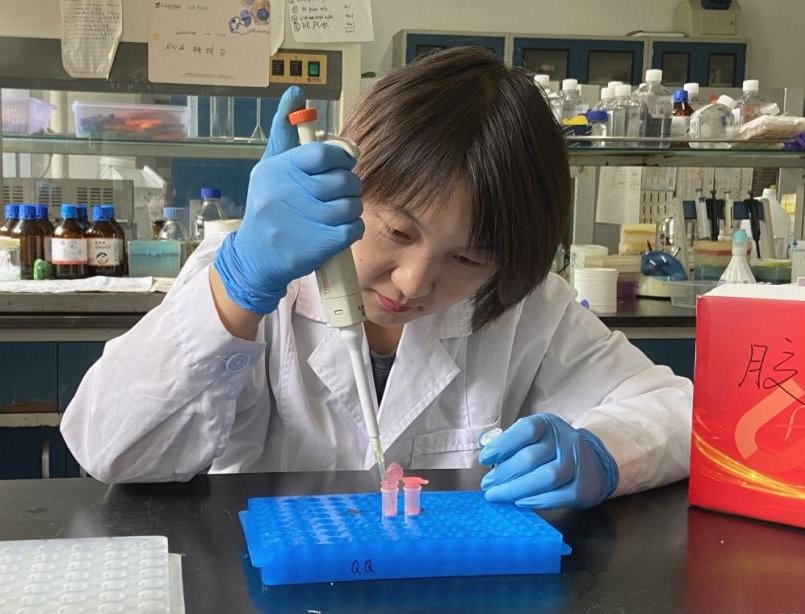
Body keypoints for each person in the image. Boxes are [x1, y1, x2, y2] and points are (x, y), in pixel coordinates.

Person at [61, 47, 692, 510]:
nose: (414, 283)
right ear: (348, 183)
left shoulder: (525, 304)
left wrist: (604, 451)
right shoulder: (250, 273)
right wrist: (238, 287)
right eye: (396, 231)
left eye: (468, 258)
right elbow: (109, 448)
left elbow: (683, 414)